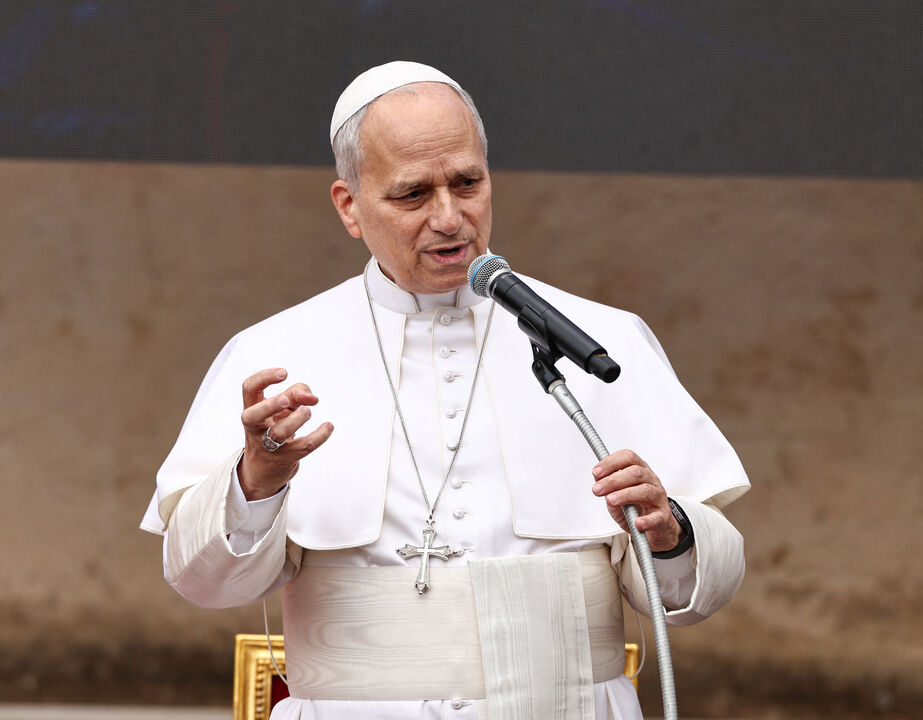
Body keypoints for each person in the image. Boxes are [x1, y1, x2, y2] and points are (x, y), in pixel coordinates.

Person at [141, 61, 749, 720]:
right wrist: (255, 482)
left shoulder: (601, 342)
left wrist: (668, 532)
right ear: (349, 207)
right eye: (412, 195)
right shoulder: (274, 354)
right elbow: (204, 584)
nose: (450, 218)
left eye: (467, 183)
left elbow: (693, 593)